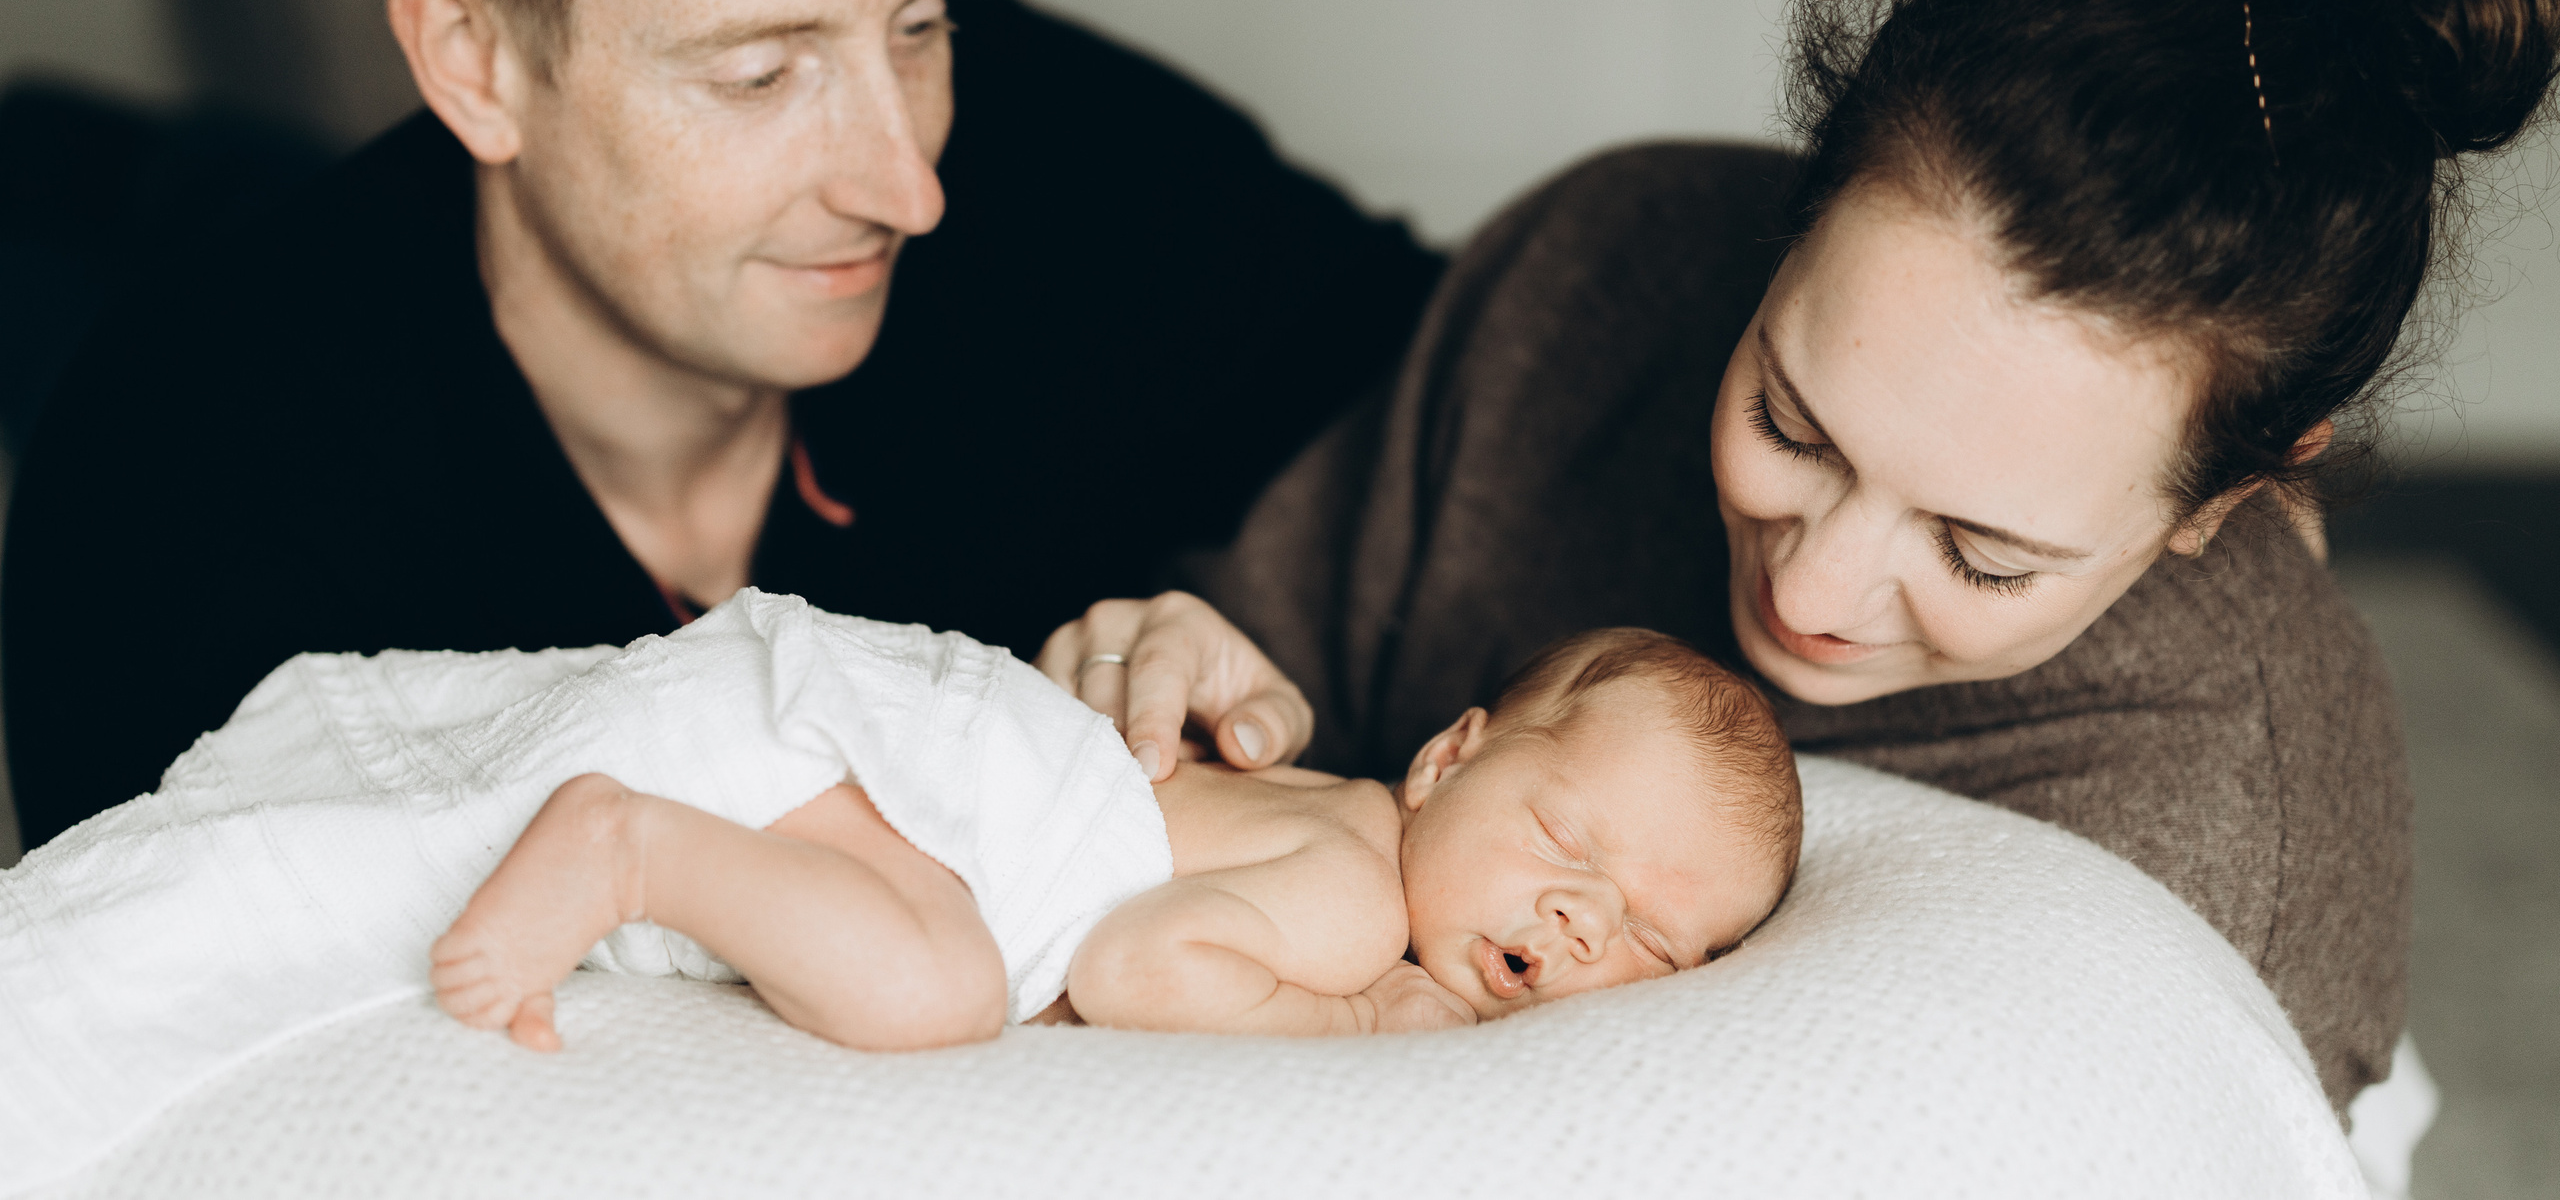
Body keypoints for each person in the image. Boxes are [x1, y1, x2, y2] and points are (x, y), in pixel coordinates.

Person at [1041, 0, 2560, 1112]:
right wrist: (1179, 701)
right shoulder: (1602, 273)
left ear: (2232, 488)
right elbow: (1289, 732)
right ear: (1795, 218)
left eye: (1982, 552)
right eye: (1789, 420)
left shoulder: (2228, 854)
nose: (1811, 596)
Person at [0, 0, 1436, 846]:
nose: (908, 188)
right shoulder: (182, 500)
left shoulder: (1063, 146)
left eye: (919, 20)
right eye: (761, 72)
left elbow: (1489, 392)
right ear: (471, 60)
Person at [430, 625, 1801, 1049]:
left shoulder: (1328, 811)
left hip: (897, 742)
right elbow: (1143, 966)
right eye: (1567, 840)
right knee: (938, 987)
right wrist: (1358, 1027)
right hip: (929, 792)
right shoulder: (1357, 898)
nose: (1579, 918)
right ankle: (632, 850)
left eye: (1650, 940)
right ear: (1447, 760)